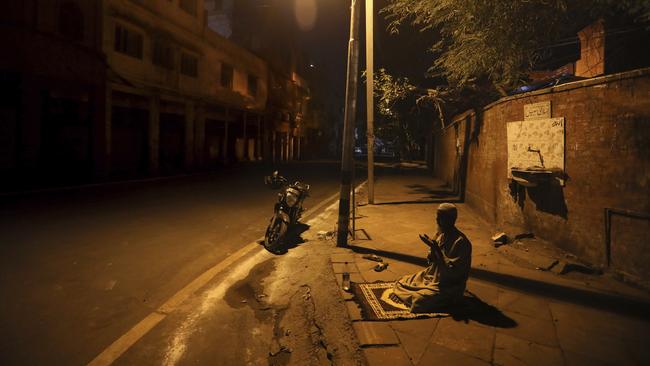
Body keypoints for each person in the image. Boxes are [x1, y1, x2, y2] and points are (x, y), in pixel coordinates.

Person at [388, 203, 472, 313]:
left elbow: (453, 273)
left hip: (448, 286)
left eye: (440, 217)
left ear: (450, 219)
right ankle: (411, 295)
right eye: (437, 217)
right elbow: (431, 262)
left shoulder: (461, 242)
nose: (437, 220)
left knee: (420, 300)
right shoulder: (440, 234)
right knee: (401, 282)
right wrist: (432, 249)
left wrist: (437, 251)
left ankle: (418, 297)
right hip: (432, 276)